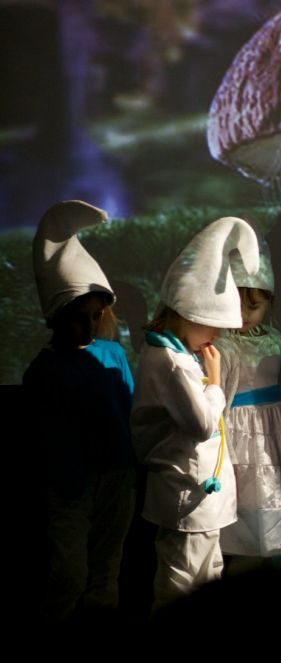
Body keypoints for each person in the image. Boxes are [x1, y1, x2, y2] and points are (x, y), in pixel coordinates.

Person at [131, 216, 260, 609]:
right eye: (212, 325)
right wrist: (215, 381)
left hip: (199, 496)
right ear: (187, 314)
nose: (217, 335)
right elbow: (203, 425)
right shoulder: (170, 361)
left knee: (207, 574)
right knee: (182, 582)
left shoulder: (178, 355)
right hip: (186, 496)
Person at [23, 200, 136, 622]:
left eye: (96, 316)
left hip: (117, 474)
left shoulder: (113, 354)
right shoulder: (44, 370)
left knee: (107, 569)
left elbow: (128, 407)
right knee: (69, 572)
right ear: (56, 317)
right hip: (69, 483)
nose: (90, 326)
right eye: (79, 318)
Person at [215, 236, 281, 559]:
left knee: (275, 496)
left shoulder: (275, 340)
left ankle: (275, 562)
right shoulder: (223, 345)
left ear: (269, 302)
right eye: (237, 304)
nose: (244, 314)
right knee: (248, 502)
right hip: (240, 438)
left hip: (274, 434)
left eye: (253, 306)